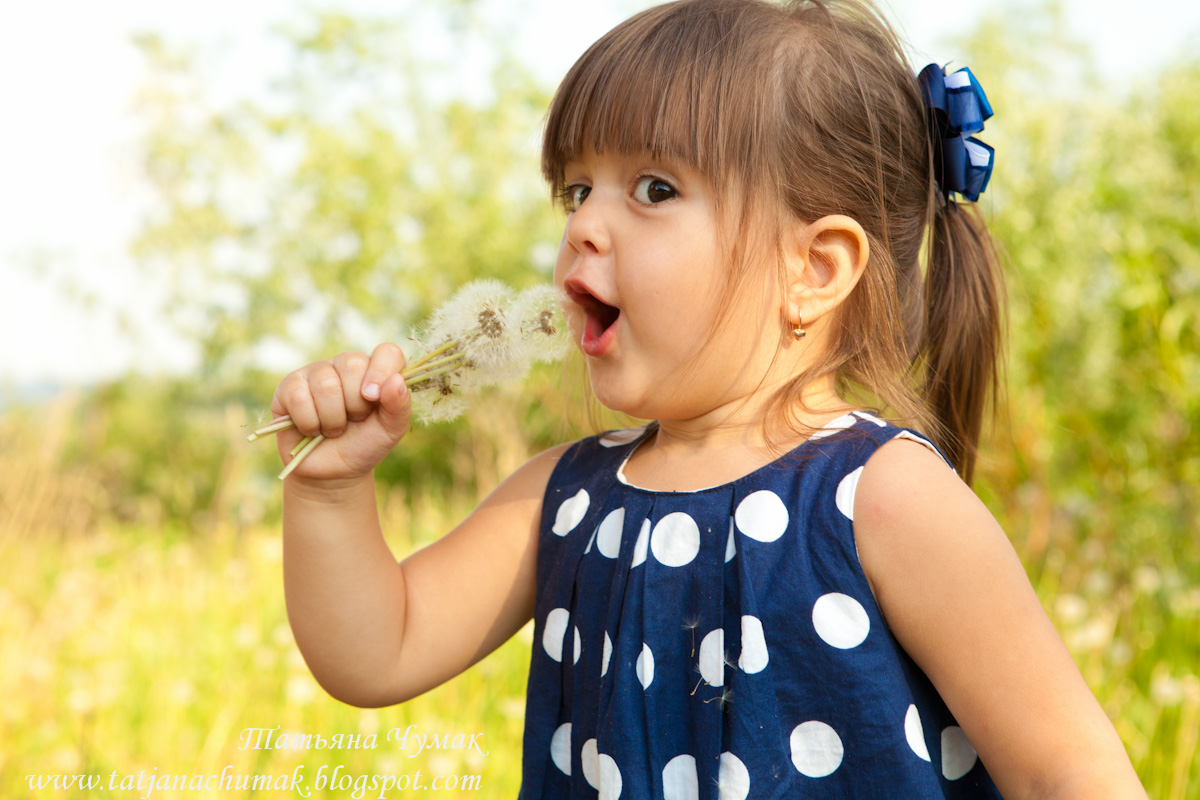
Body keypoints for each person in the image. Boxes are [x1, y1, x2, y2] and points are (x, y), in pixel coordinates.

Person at [268, 0, 1147, 796]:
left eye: (654, 190)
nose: (581, 224)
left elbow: (1066, 774)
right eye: (576, 190)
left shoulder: (884, 499)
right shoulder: (566, 497)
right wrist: (330, 490)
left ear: (813, 268)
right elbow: (375, 652)